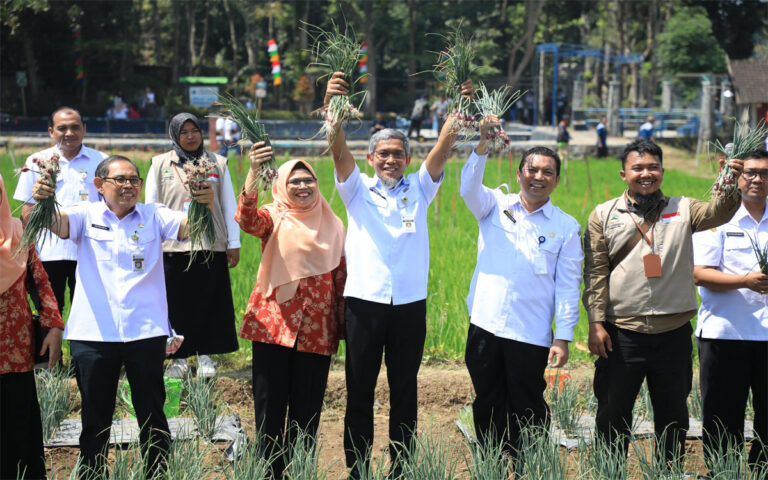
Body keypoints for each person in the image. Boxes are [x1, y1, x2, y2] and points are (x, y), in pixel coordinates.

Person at [325, 71, 472, 479]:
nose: (390, 159)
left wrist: (458, 114)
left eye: (397, 153)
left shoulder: (420, 189)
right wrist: (333, 113)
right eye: (382, 154)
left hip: (408, 305)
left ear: (407, 158)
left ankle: (401, 468)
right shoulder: (355, 190)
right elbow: (338, 155)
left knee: (405, 390)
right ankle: (358, 469)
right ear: (371, 158)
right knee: (360, 390)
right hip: (364, 305)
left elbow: (442, 151)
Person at [32, 155, 212, 477]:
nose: (129, 186)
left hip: (144, 332)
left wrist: (204, 204)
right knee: (95, 419)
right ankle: (93, 473)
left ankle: (157, 473)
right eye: (121, 180)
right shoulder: (85, 215)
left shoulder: (153, 215)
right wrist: (44, 199)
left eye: (134, 180)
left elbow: (190, 228)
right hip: (94, 335)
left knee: (153, 416)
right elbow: (56, 223)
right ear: (100, 185)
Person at [582, 139, 744, 465]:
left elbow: (720, 213)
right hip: (621, 334)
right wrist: (596, 323)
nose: (646, 174)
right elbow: (596, 273)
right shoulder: (604, 214)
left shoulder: (684, 208)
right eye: (638, 168)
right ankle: (611, 472)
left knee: (672, 415)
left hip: (673, 334)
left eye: (653, 167)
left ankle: (666, 471)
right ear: (623, 173)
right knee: (613, 412)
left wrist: (730, 179)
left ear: (662, 171)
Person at [460, 116, 583, 460]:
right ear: (519, 174)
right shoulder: (494, 206)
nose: (538, 177)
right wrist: (482, 144)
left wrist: (563, 337)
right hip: (485, 325)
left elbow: (569, 286)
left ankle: (530, 466)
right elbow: (468, 186)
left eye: (547, 172)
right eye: (532, 169)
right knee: (486, 398)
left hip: (530, 333)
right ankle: (491, 466)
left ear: (556, 180)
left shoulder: (566, 227)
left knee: (528, 404)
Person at [236, 144, 346, 477]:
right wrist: (254, 171)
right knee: (269, 404)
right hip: (274, 326)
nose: (302, 187)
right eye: (295, 181)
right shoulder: (273, 216)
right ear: (283, 184)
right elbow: (246, 219)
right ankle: (270, 470)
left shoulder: (334, 225)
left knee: (308, 406)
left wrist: (344, 328)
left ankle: (299, 469)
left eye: (308, 181)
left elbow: (341, 278)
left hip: (317, 329)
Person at [145, 113, 240, 379]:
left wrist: (233, 243)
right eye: (183, 131)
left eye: (194, 130)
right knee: (176, 302)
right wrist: (151, 243)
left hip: (210, 243)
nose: (190, 136)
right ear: (174, 135)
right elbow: (151, 207)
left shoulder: (217, 162)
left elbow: (229, 204)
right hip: (173, 244)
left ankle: (205, 355)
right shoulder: (159, 164)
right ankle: (178, 358)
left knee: (209, 300)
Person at [692, 149, 768, 473]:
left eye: (765, 174)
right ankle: (724, 472)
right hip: (724, 334)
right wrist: (745, 281)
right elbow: (699, 273)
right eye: (750, 172)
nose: (757, 179)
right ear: (736, 176)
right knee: (722, 415)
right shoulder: (717, 218)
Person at [14, 107, 107, 316]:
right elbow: (26, 210)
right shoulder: (36, 161)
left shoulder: (102, 161)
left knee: (88, 313)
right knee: (48, 312)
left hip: (89, 251)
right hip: (48, 250)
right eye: (62, 128)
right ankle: (51, 350)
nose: (69, 133)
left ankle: (82, 350)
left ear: (84, 129)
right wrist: (29, 250)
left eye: (75, 127)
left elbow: (112, 206)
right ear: (51, 131)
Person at [0, 174, 63, 480]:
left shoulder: (18, 232)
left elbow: (39, 281)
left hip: (14, 352)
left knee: (17, 430)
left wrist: (53, 327)